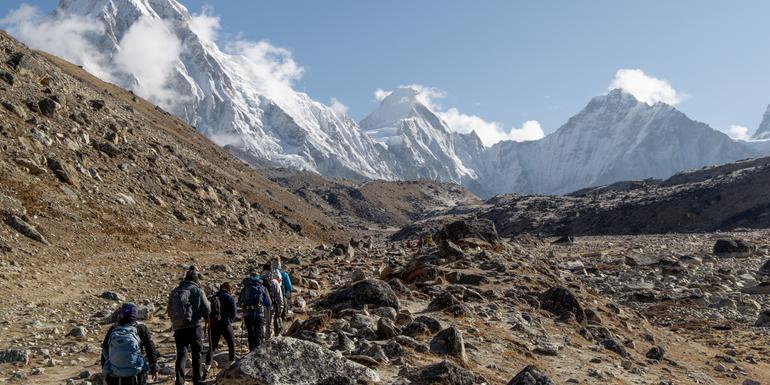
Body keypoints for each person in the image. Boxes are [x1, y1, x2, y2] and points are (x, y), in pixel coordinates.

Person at [167, 266, 210, 385]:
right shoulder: (198, 290)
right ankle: (197, 380)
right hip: (195, 326)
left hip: (179, 327)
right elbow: (207, 309)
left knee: (181, 355)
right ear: (196, 280)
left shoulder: (176, 291)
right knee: (196, 354)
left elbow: (169, 309)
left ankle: (180, 381)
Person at [101, 303, 159, 385]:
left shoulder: (113, 328)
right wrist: (154, 368)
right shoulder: (141, 328)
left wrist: (105, 370)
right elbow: (150, 348)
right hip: (136, 373)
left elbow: (104, 350)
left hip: (115, 374)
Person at [204, 282, 237, 376]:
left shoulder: (214, 297)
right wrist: (229, 321)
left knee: (212, 347)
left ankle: (207, 368)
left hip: (214, 324)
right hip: (225, 324)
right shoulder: (229, 297)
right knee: (231, 344)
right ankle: (232, 364)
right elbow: (234, 313)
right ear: (229, 288)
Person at [239, 269, 271, 350]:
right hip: (259, 313)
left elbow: (239, 302)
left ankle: (251, 350)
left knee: (250, 333)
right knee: (259, 333)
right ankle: (258, 352)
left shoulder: (245, 288)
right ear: (258, 277)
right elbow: (268, 303)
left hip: (247, 314)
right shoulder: (262, 288)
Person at [261, 264, 284, 339]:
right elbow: (279, 297)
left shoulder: (258, 281)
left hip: (260, 307)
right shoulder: (274, 282)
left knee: (262, 324)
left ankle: (261, 341)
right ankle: (268, 341)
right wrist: (280, 308)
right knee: (269, 324)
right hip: (271, 306)